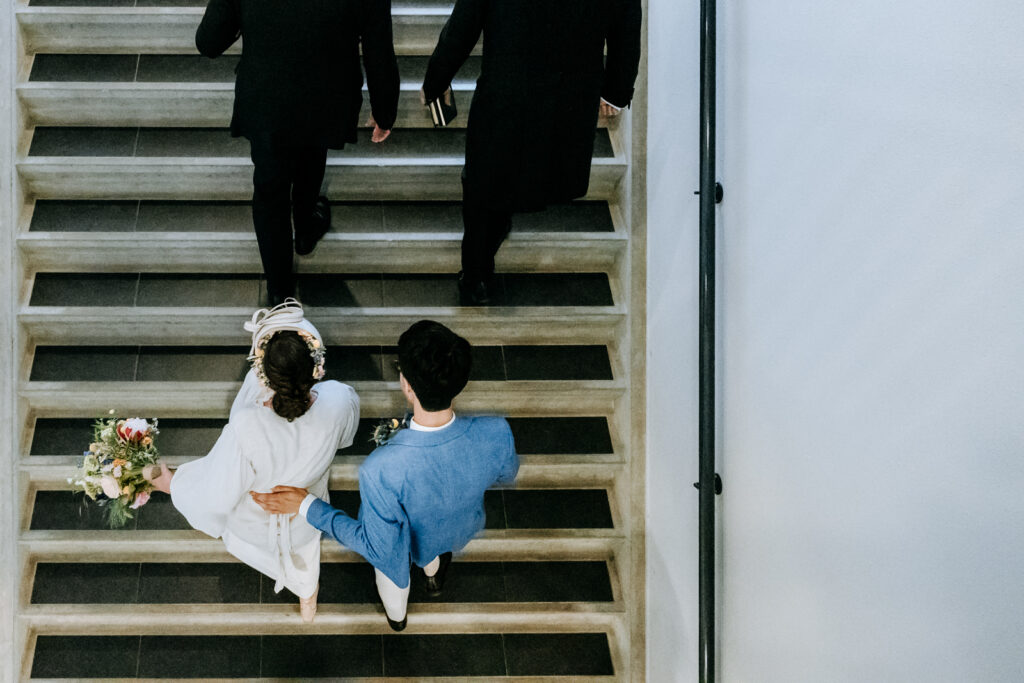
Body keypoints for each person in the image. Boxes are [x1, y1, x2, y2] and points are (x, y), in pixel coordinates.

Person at [252, 320, 519, 630]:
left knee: (393, 583)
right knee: (432, 552)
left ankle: (397, 618)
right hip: (457, 529)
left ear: (407, 386)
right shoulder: (498, 432)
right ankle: (433, 575)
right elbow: (506, 472)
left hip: (399, 552)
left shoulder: (382, 470)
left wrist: (306, 505)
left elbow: (376, 546)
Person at [144, 300, 360, 622]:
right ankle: (307, 591)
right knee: (305, 547)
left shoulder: (248, 426)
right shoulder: (341, 399)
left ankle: (302, 587)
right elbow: (345, 438)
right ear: (316, 368)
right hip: (306, 508)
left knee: (249, 540)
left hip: (258, 522)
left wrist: (173, 484)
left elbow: (215, 496)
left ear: (264, 376)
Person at [420, 0, 642, 305]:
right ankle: (487, 251)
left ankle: (476, 277)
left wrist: (437, 79)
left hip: (507, 90)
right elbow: (626, 23)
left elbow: (465, 22)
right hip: (566, 97)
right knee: (527, 165)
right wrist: (616, 91)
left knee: (484, 180)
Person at [195, 0, 400, 306]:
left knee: (269, 190)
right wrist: (385, 110)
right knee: (313, 155)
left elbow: (209, 42)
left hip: (267, 98)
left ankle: (279, 290)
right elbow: (378, 49)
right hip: (327, 97)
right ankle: (305, 227)